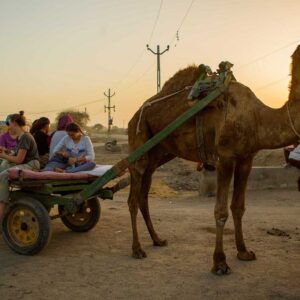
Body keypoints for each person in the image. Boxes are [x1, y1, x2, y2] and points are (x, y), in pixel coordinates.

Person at [0, 111, 40, 222]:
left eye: (10, 124)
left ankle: (3, 203)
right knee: (3, 165)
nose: (9, 127)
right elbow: (16, 156)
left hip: (32, 165)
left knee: (4, 175)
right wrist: (6, 152)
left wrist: (2, 155)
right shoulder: (20, 137)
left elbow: (19, 159)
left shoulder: (25, 137)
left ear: (14, 123)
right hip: (25, 164)